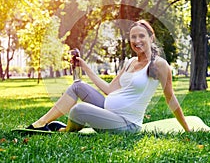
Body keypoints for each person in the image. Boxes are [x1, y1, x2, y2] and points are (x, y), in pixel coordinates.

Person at [26, 20, 190, 133]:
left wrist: (186, 128)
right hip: (108, 109)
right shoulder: (130, 62)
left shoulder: (159, 65)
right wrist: (85, 67)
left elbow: (170, 98)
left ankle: (64, 130)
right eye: (133, 37)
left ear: (151, 38)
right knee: (77, 86)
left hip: (127, 124)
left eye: (142, 36)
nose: (137, 40)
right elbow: (109, 89)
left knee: (78, 110)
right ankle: (41, 123)